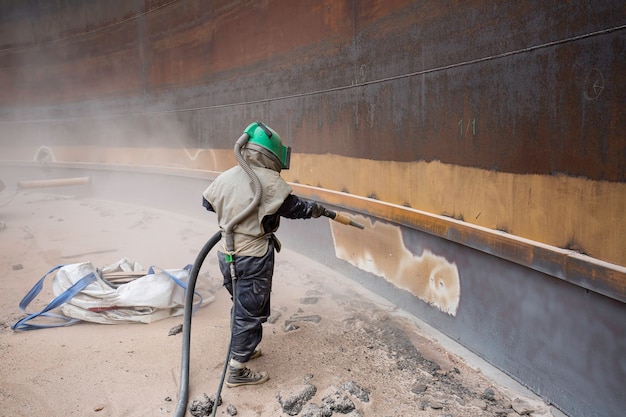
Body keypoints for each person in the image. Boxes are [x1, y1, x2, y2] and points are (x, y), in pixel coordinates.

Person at [202, 121, 325, 387]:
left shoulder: (227, 176)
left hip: (227, 254)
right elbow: (295, 208)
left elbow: (207, 203)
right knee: (250, 310)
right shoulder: (268, 181)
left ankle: (244, 348)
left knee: (243, 304)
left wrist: (235, 212)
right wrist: (314, 209)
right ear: (271, 154)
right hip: (253, 257)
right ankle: (236, 369)